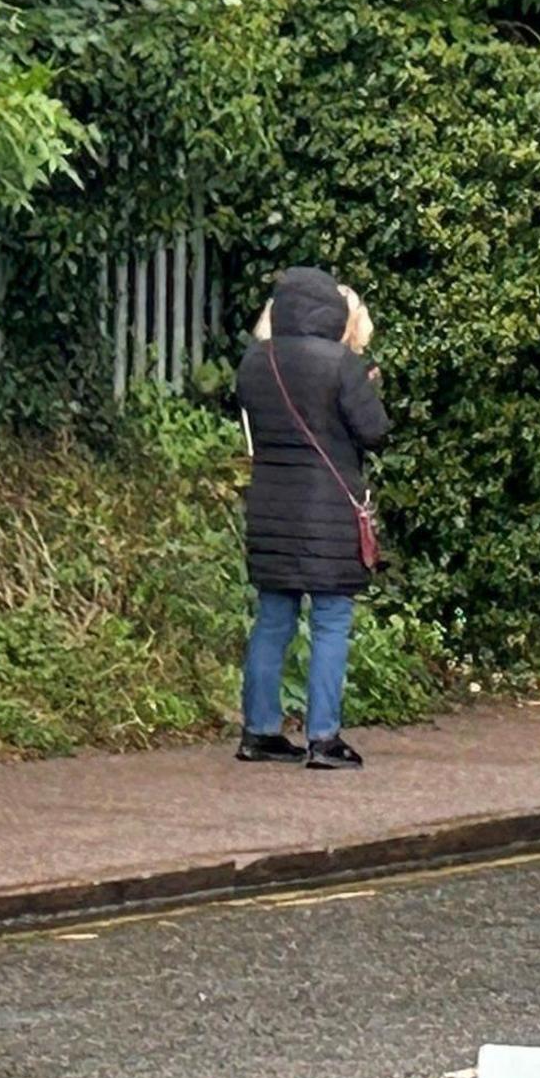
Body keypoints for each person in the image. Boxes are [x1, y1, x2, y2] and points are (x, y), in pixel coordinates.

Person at [233, 266, 389, 769]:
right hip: (328, 511)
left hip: (270, 506)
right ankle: (324, 738)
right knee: (330, 621)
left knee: (273, 619)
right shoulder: (341, 363)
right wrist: (367, 387)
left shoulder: (257, 361)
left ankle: (259, 732)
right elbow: (374, 432)